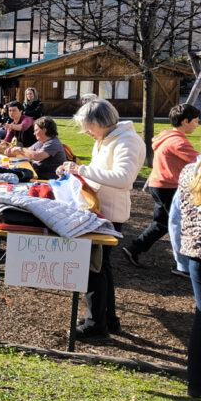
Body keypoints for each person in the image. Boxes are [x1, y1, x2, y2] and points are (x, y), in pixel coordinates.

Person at [57, 98, 144, 339]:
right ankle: (106, 319)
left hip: (108, 214)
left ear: (101, 122)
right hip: (98, 211)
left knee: (94, 268)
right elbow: (100, 174)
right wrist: (73, 170)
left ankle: (96, 325)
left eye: (88, 126)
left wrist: (81, 170)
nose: (85, 132)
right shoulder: (107, 139)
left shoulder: (127, 141)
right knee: (100, 267)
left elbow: (123, 178)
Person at [123, 103, 200, 268]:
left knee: (162, 223)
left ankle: (134, 248)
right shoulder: (178, 142)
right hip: (169, 187)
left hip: (158, 185)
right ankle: (184, 266)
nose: (197, 125)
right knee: (181, 224)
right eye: (195, 121)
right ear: (185, 121)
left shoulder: (167, 136)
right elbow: (200, 162)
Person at [176, 131, 201, 397]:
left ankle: (196, 384)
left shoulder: (189, 171)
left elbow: (178, 213)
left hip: (197, 254)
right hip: (199, 251)